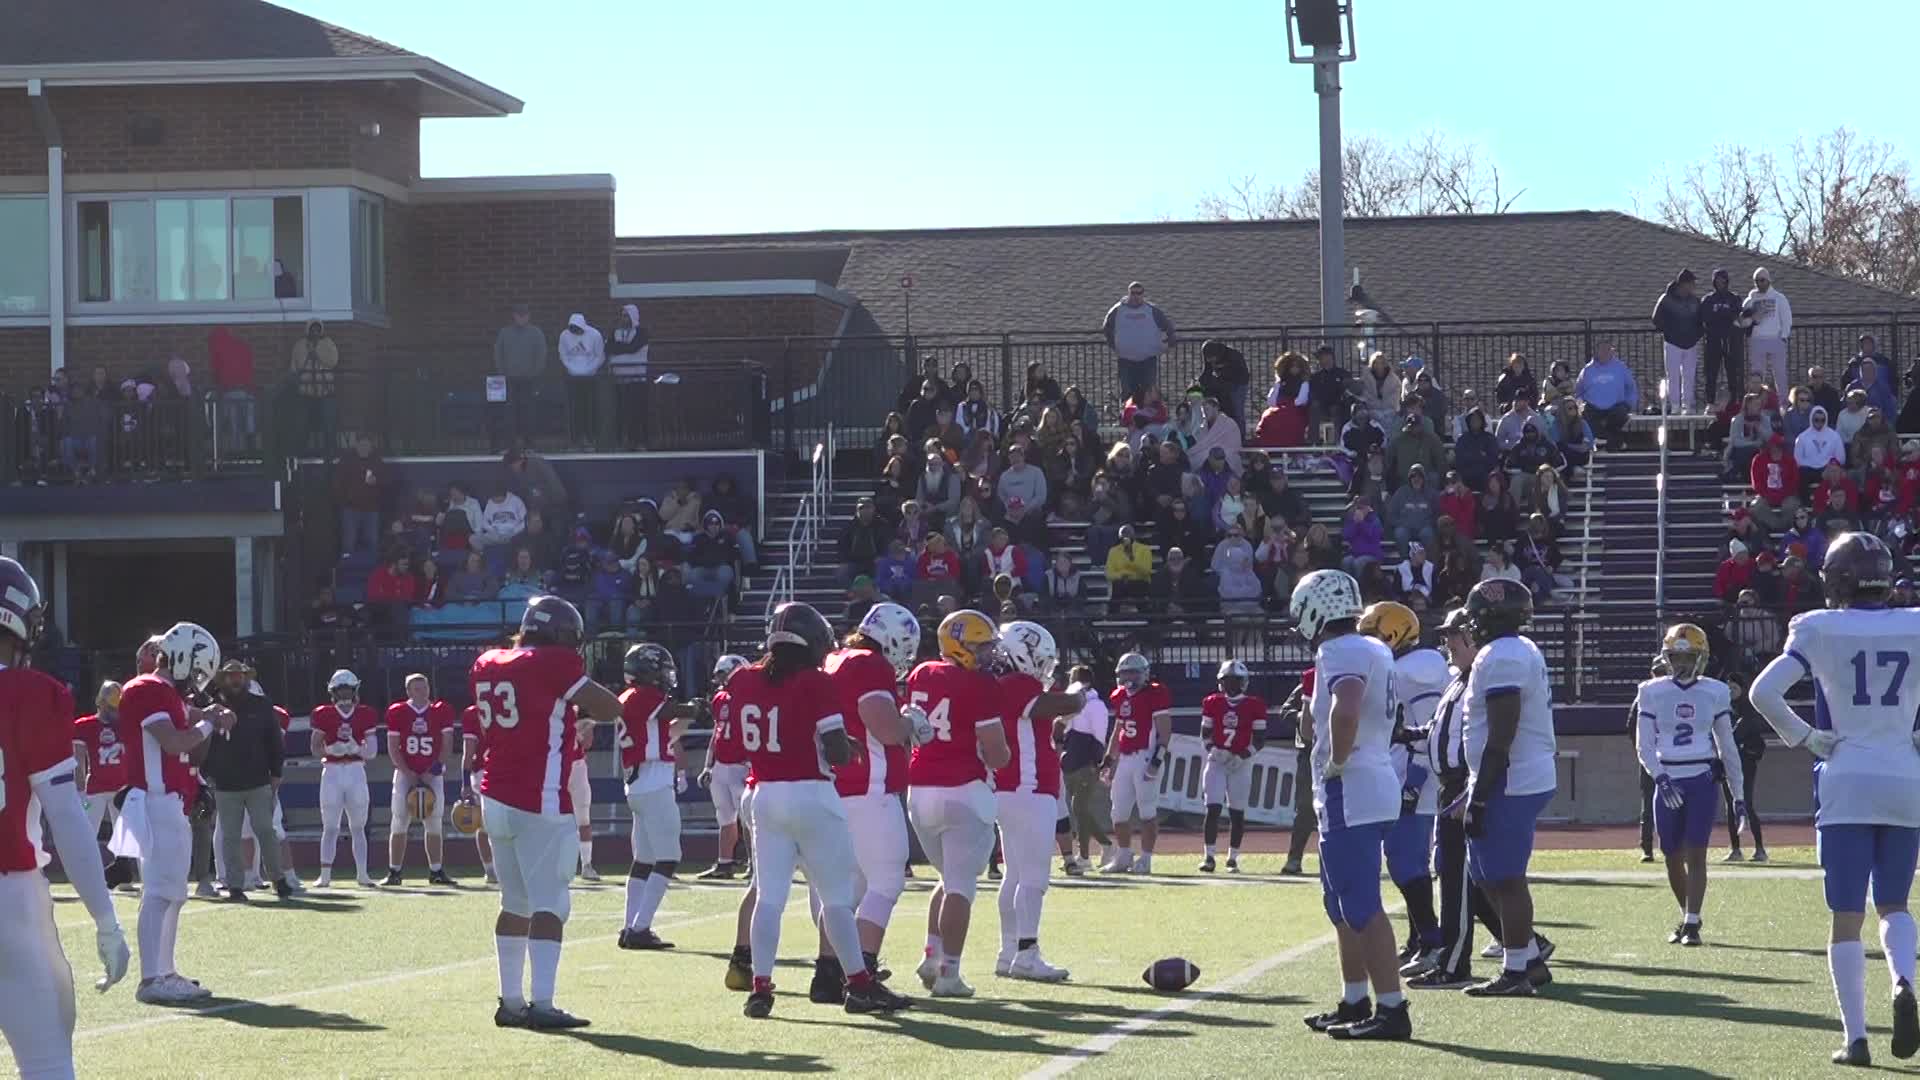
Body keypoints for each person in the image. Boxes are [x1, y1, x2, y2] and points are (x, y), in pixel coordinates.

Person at [1748, 532, 1920, 1066]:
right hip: (1906, 778)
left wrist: (1805, 737)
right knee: (1894, 903)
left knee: (1846, 918)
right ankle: (1905, 979)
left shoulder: (1819, 627)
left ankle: (1856, 1039)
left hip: (1846, 777)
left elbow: (1761, 693)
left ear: (1835, 579)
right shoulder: (1915, 623)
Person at [729, 603, 911, 1018]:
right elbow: (834, 751)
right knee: (836, 899)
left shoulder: (743, 679)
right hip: (812, 794)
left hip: (764, 795)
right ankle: (860, 985)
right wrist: (850, 748)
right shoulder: (816, 681)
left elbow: (746, 741)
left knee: (770, 898)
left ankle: (760, 988)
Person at [470, 596, 625, 1029]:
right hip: (538, 799)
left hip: (494, 796)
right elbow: (610, 707)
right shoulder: (553, 662)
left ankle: (512, 1001)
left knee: (514, 903)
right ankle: (543, 1003)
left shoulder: (488, 661)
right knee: (550, 906)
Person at [0, 562, 130, 1077]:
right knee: (48, 1060)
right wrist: (104, 918)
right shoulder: (32, 694)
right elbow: (67, 819)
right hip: (10, 894)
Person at [1290, 569, 1413, 1041]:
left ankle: (1391, 1008)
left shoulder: (1339, 650)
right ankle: (1356, 998)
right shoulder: (1373, 646)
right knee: (1339, 904)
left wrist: (1337, 760)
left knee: (1360, 904)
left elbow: (1347, 706)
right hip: (1371, 777)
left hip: (1352, 784)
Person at [804, 604, 923, 995]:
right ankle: (862, 973)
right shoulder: (870, 664)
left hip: (833, 787)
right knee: (887, 881)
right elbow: (885, 728)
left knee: (843, 891)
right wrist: (911, 724)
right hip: (868, 787)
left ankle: (826, 975)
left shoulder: (834, 659)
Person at [115, 622, 231, 1004]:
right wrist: (209, 721)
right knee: (161, 892)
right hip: (154, 799)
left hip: (168, 801)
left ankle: (164, 971)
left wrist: (209, 716)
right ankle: (152, 978)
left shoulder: (165, 693)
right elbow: (174, 741)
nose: (197, 681)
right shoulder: (148, 688)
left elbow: (189, 718)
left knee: (173, 893)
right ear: (181, 659)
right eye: (196, 671)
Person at [1458, 578, 1558, 996]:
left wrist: (1479, 796)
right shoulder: (1511, 651)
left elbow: (1502, 734)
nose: (1472, 624)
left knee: (1506, 877)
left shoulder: (1502, 656)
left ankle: (1516, 970)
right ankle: (1529, 959)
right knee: (1485, 875)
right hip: (1509, 775)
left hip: (1510, 777)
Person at [905, 610, 1011, 997]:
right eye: (980, 647)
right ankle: (949, 973)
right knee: (961, 887)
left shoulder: (921, 673)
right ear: (960, 645)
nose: (987, 655)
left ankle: (931, 957)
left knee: (948, 878)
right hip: (964, 790)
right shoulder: (981, 687)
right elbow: (998, 754)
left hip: (919, 792)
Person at [1408, 606, 1505, 989]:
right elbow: (1438, 729)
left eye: (1453, 635)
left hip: (1463, 784)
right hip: (1449, 785)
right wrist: (1406, 734)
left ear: (1473, 638)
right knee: (1453, 873)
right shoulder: (1456, 681)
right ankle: (1524, 943)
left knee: (1458, 879)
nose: (1447, 642)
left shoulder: (1479, 682)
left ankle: (1453, 963)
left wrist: (1471, 788)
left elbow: (1484, 738)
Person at [1633, 624, 1743, 948]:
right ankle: (1687, 914)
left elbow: (1728, 746)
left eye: (1688, 657)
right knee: (1670, 854)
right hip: (1667, 776)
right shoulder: (1650, 691)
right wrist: (1659, 775)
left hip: (1700, 778)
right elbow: (1643, 744)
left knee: (1696, 853)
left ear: (1702, 658)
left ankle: (1692, 923)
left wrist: (1737, 794)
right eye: (1675, 657)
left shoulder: (1715, 691)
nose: (1681, 664)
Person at [1359, 601, 1450, 974]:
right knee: (1402, 860)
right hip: (1403, 773)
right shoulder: (1403, 668)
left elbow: (1429, 729)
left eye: (1374, 635)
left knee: (1406, 861)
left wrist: (1416, 779)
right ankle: (1419, 940)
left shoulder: (1418, 671)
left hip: (1417, 776)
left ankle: (1431, 941)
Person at [993, 621, 1086, 982]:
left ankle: (1008, 952)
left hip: (1011, 789)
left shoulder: (1002, 684)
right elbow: (1059, 703)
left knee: (1015, 876)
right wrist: (1079, 694)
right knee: (1033, 877)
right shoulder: (1018, 684)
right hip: (1028, 790)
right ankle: (1026, 953)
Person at [612, 643, 700, 951]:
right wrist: (695, 708)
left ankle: (631, 926)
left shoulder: (631, 698)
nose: (666, 676)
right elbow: (672, 712)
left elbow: (667, 731)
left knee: (645, 859)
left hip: (640, 783)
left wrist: (692, 716)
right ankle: (640, 927)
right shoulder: (645, 697)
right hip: (653, 781)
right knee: (668, 857)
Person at [202, 659, 289, 900]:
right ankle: (235, 885)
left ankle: (278, 880)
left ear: (246, 678)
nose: (235, 679)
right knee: (230, 837)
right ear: (224, 680)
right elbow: (205, 745)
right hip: (226, 784)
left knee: (266, 831)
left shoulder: (261, 706)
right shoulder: (213, 709)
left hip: (258, 781)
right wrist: (209, 776)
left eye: (239, 675)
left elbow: (274, 741)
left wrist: (276, 774)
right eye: (231, 676)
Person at [1100, 652, 1173, 875]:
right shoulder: (1119, 696)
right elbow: (1118, 731)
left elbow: (1165, 731)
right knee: (1118, 813)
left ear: (1144, 674)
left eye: (1134, 672)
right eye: (1125, 672)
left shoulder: (1155, 694)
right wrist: (1109, 759)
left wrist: (1156, 761)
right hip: (1125, 759)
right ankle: (1123, 856)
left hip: (1145, 757)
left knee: (1147, 811)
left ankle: (1146, 859)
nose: (1129, 677)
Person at [381, 674, 456, 887]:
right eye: (417, 688)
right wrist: (408, 772)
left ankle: (436, 870)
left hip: (433, 773)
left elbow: (447, 744)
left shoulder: (441, 711)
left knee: (434, 821)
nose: (422, 691)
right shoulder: (398, 711)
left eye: (424, 687)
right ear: (409, 691)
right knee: (399, 820)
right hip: (406, 773)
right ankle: (394, 871)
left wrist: (432, 770)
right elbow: (393, 747)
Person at [310, 669, 379, 888]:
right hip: (332, 770)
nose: (345, 694)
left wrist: (356, 748)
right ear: (333, 691)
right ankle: (325, 875)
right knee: (330, 826)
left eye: (348, 689)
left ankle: (362, 874)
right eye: (341, 690)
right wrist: (331, 749)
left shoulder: (366, 713)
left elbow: (373, 751)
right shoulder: (323, 713)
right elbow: (314, 747)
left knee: (358, 826)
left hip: (356, 769)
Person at [1198, 659, 1267, 874]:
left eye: (1235, 681)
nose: (1231, 685)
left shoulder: (1254, 705)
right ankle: (1209, 856)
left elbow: (1259, 739)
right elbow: (1205, 734)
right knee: (1213, 808)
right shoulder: (1212, 702)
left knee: (1237, 812)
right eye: (1228, 681)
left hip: (1241, 763)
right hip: (1217, 762)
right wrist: (1213, 750)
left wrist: (1243, 755)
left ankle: (1233, 857)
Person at [696, 655, 752, 882]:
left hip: (742, 765)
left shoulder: (750, 698)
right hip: (721, 766)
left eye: (723, 674)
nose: (720, 680)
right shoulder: (720, 698)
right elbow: (717, 733)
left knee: (748, 819)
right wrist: (708, 764)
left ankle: (754, 864)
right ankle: (724, 863)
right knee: (725, 817)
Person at [1056, 665, 1112, 874]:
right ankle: (1103, 847)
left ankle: (1088, 854)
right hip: (1071, 761)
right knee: (1077, 809)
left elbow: (1099, 736)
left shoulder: (1096, 706)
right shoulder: (1074, 703)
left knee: (1079, 808)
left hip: (1086, 762)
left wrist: (1097, 763)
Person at [1720, 675, 1770, 864]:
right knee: (1730, 807)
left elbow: (1735, 736)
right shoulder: (1723, 710)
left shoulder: (1748, 711)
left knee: (1746, 803)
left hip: (1745, 765)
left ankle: (1760, 849)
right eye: (1728, 688)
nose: (1731, 691)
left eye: (1734, 687)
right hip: (1728, 763)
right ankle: (1735, 849)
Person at [1102, 281, 1175, 403]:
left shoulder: (1152, 310)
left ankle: (1150, 417)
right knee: (1127, 392)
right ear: (1129, 293)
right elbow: (1106, 327)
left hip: (1148, 359)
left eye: (1139, 293)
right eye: (1133, 293)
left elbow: (1168, 326)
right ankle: (1127, 417)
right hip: (1125, 359)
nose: (1136, 296)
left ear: (1143, 294)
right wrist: (1114, 345)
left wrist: (1170, 340)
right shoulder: (1117, 310)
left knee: (1149, 391)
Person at [493, 303, 548, 441]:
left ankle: (529, 444)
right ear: (514, 316)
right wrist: (502, 372)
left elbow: (542, 354)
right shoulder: (504, 333)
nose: (521, 318)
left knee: (529, 413)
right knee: (509, 413)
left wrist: (535, 373)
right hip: (509, 380)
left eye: (524, 315)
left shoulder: (536, 333)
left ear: (529, 316)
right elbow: (498, 354)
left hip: (529, 380)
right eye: (519, 315)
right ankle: (510, 444)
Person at [1652, 270, 1704, 413]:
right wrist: (1669, 331)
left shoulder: (1695, 301)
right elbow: (1656, 319)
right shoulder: (1666, 299)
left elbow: (1701, 322)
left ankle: (1687, 405)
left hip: (1691, 344)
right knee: (1673, 375)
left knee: (1689, 375)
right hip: (1672, 343)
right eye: (1691, 283)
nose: (1693, 286)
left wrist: (1696, 335)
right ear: (1683, 284)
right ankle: (1675, 405)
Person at [458, 705, 498, 886]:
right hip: (485, 772)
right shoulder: (472, 714)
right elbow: (469, 752)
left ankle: (497, 868)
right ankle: (490, 868)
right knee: (486, 824)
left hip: (507, 771)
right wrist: (466, 782)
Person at [333, 435, 388, 559]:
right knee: (348, 544)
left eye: (367, 446)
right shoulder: (346, 460)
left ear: (371, 447)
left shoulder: (376, 460)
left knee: (373, 543)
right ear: (356, 446)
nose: (364, 449)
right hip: (350, 510)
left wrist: (377, 480)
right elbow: (336, 483)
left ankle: (372, 573)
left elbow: (387, 480)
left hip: (371, 510)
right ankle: (347, 572)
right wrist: (345, 500)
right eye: (362, 445)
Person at [1743, 268, 1792, 398]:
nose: (1759, 283)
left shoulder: (1779, 298)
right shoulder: (1750, 299)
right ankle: (1755, 400)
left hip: (1776, 339)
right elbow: (1743, 320)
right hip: (1757, 340)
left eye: (1762, 280)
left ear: (1768, 280)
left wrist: (1783, 337)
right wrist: (1751, 320)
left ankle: (1783, 402)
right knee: (1757, 374)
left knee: (1780, 373)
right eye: (1756, 281)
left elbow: (1786, 319)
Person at [557, 313, 606, 445]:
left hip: (591, 378)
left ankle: (591, 437)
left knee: (590, 408)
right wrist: (572, 369)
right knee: (575, 409)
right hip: (573, 378)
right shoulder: (564, 335)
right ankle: (576, 438)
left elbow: (600, 356)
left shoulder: (595, 335)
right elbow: (563, 355)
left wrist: (590, 370)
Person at [1699, 268, 1746, 407]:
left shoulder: (1734, 298)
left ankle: (1734, 401)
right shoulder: (1708, 299)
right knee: (1711, 373)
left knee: (1733, 372)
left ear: (1727, 281)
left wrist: (1720, 314)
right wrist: (1725, 314)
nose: (1720, 283)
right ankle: (1710, 402)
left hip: (1731, 341)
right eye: (1717, 280)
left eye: (1723, 280)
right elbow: (1705, 317)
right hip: (1713, 341)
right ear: (1714, 282)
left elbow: (1737, 314)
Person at [1576, 346, 1640, 446]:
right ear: (1596, 353)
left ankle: (1607, 441)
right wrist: (1579, 404)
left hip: (1617, 406)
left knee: (1619, 414)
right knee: (1586, 414)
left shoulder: (1621, 367)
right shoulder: (1587, 370)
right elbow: (1579, 390)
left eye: (1607, 351)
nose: (1604, 354)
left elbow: (1631, 387)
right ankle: (1615, 441)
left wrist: (1630, 404)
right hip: (1593, 407)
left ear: (1611, 353)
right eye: (1601, 351)